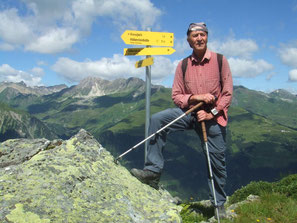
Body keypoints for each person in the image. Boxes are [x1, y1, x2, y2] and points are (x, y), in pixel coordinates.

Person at [130, 22, 233, 218]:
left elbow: (227, 93)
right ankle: (152, 172)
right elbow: (177, 96)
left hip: (212, 117)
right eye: (195, 36)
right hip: (189, 112)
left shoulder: (220, 61)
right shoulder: (183, 65)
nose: (199, 38)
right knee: (158, 120)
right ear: (188, 40)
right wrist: (197, 98)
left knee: (216, 161)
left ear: (207, 37)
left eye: (202, 35)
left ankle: (218, 203)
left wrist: (212, 113)